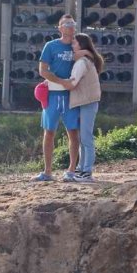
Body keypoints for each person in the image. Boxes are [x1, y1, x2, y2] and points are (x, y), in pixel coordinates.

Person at [34, 14, 80, 182]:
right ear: (59, 28)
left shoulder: (78, 45)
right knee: (49, 131)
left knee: (73, 132)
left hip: (72, 95)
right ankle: (47, 172)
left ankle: (71, 170)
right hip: (53, 94)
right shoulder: (51, 46)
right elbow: (43, 70)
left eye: (72, 23)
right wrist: (61, 81)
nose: (70, 26)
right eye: (66, 24)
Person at [59, 34, 103, 182]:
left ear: (81, 45)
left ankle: (86, 172)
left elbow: (73, 82)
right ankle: (81, 169)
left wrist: (54, 82)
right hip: (86, 101)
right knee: (83, 138)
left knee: (86, 138)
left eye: (74, 42)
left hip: (87, 102)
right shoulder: (86, 59)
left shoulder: (82, 63)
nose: (72, 44)